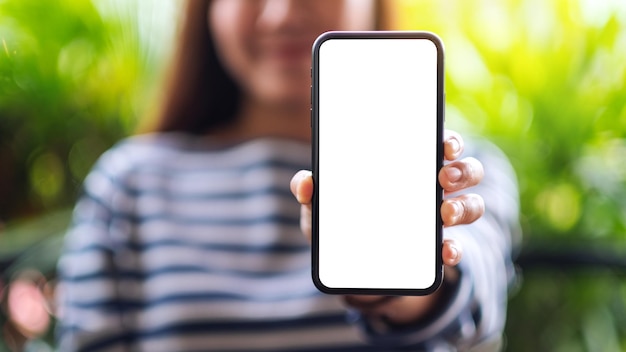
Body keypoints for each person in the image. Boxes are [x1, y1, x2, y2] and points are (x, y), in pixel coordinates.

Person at [56, 0, 520, 351]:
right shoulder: (129, 184)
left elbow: (475, 303)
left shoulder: (457, 169)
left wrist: (392, 293)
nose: (280, 15)